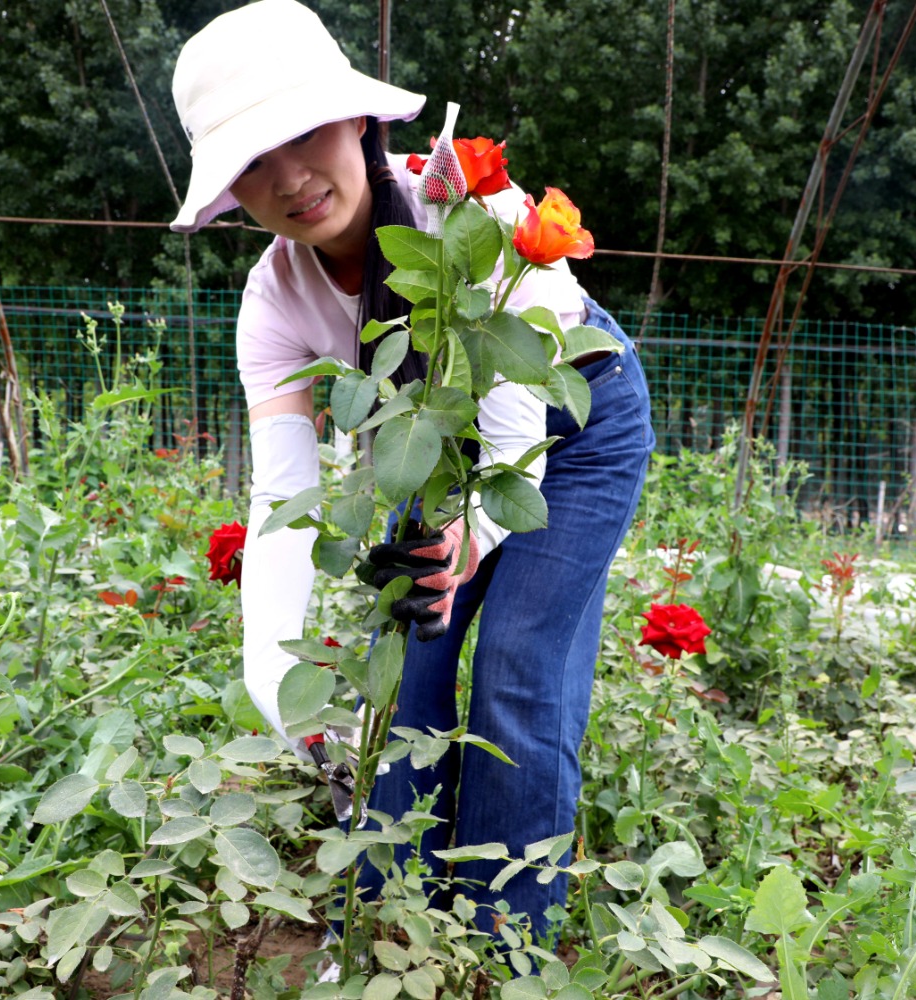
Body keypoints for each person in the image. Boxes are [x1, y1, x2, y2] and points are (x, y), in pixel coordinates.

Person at [169, 0, 654, 939]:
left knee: (519, 668)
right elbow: (285, 487)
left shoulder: (467, 209)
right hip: (434, 450)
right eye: (252, 165)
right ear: (231, 192)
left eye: (302, 135)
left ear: (358, 119)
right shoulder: (273, 306)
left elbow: (517, 415)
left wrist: (477, 531)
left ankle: (505, 940)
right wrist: (276, 678)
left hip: (573, 427)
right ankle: (402, 924)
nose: (291, 180)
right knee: (405, 672)